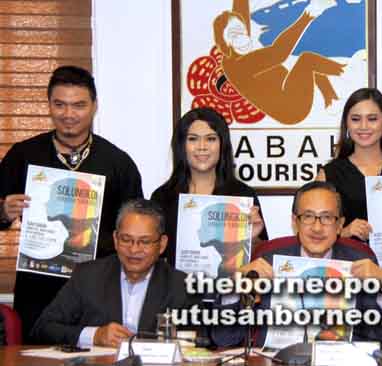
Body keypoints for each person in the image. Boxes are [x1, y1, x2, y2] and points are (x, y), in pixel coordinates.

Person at [0, 66, 143, 342]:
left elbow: (137, 228)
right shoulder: (23, 155)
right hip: (38, 290)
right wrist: (3, 211)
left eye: (78, 105)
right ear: (49, 106)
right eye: (60, 105)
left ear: (94, 106)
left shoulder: (117, 163)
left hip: (99, 292)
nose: (68, 114)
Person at [213, 181, 382, 348]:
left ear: (340, 225)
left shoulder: (360, 261)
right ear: (295, 221)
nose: (317, 228)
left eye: (327, 218)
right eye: (308, 217)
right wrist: (234, 286)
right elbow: (224, 338)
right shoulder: (267, 259)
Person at [31, 199, 192, 347]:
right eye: (126, 239)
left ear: (162, 244)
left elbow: (200, 341)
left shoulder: (181, 286)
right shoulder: (87, 276)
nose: (134, 249)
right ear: (115, 239)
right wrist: (94, 335)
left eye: (144, 241)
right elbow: (43, 329)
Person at [151, 107, 267, 266]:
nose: (202, 147)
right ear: (181, 145)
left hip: (227, 288)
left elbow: (260, 258)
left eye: (211, 139)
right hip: (175, 289)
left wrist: (252, 237)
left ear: (222, 145)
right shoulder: (163, 197)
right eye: (193, 139)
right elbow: (152, 254)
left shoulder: (242, 195)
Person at [212, 0, 344, 124]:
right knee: (307, 60)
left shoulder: (235, 51)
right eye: (234, 35)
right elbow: (279, 53)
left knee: (305, 62)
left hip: (287, 90)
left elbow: (241, 11)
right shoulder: (237, 66)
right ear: (224, 42)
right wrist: (309, 14)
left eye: (243, 31)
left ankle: (331, 99)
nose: (243, 37)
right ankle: (345, 70)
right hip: (291, 109)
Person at [317, 88, 382, 242]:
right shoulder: (329, 175)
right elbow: (314, 233)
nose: (364, 126)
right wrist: (344, 232)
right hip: (349, 263)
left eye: (372, 119)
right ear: (347, 124)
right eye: (356, 119)